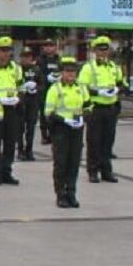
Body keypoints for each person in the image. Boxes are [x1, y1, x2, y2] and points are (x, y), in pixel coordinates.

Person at [43, 57, 89, 208]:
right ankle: (60, 195)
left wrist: (84, 118)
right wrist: (64, 120)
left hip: (77, 129)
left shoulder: (81, 88)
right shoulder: (55, 89)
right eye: (68, 71)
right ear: (62, 73)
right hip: (61, 129)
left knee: (74, 163)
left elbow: (88, 106)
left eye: (73, 71)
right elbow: (48, 113)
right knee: (61, 163)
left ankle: (71, 193)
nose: (71, 74)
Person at [82, 37, 125, 183]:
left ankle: (106, 171)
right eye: (100, 49)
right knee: (94, 141)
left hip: (110, 108)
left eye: (106, 49)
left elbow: (122, 83)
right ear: (95, 51)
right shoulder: (89, 67)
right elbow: (82, 87)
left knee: (108, 141)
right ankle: (93, 171)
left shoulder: (114, 66)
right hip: (95, 108)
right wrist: (98, 93)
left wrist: (117, 89)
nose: (103, 52)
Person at [0, 37, 23, 186]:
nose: (4, 54)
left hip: (12, 110)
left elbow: (21, 88)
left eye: (7, 51)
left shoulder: (16, 68)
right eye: (1, 51)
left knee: (10, 142)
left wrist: (18, 99)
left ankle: (7, 171)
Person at [16, 45, 42, 162]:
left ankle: (29, 150)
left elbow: (42, 84)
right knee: (20, 128)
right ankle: (20, 150)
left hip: (33, 102)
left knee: (31, 128)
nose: (26, 59)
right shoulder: (17, 69)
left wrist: (36, 88)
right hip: (21, 102)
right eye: (24, 57)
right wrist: (21, 88)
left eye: (28, 57)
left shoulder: (36, 69)